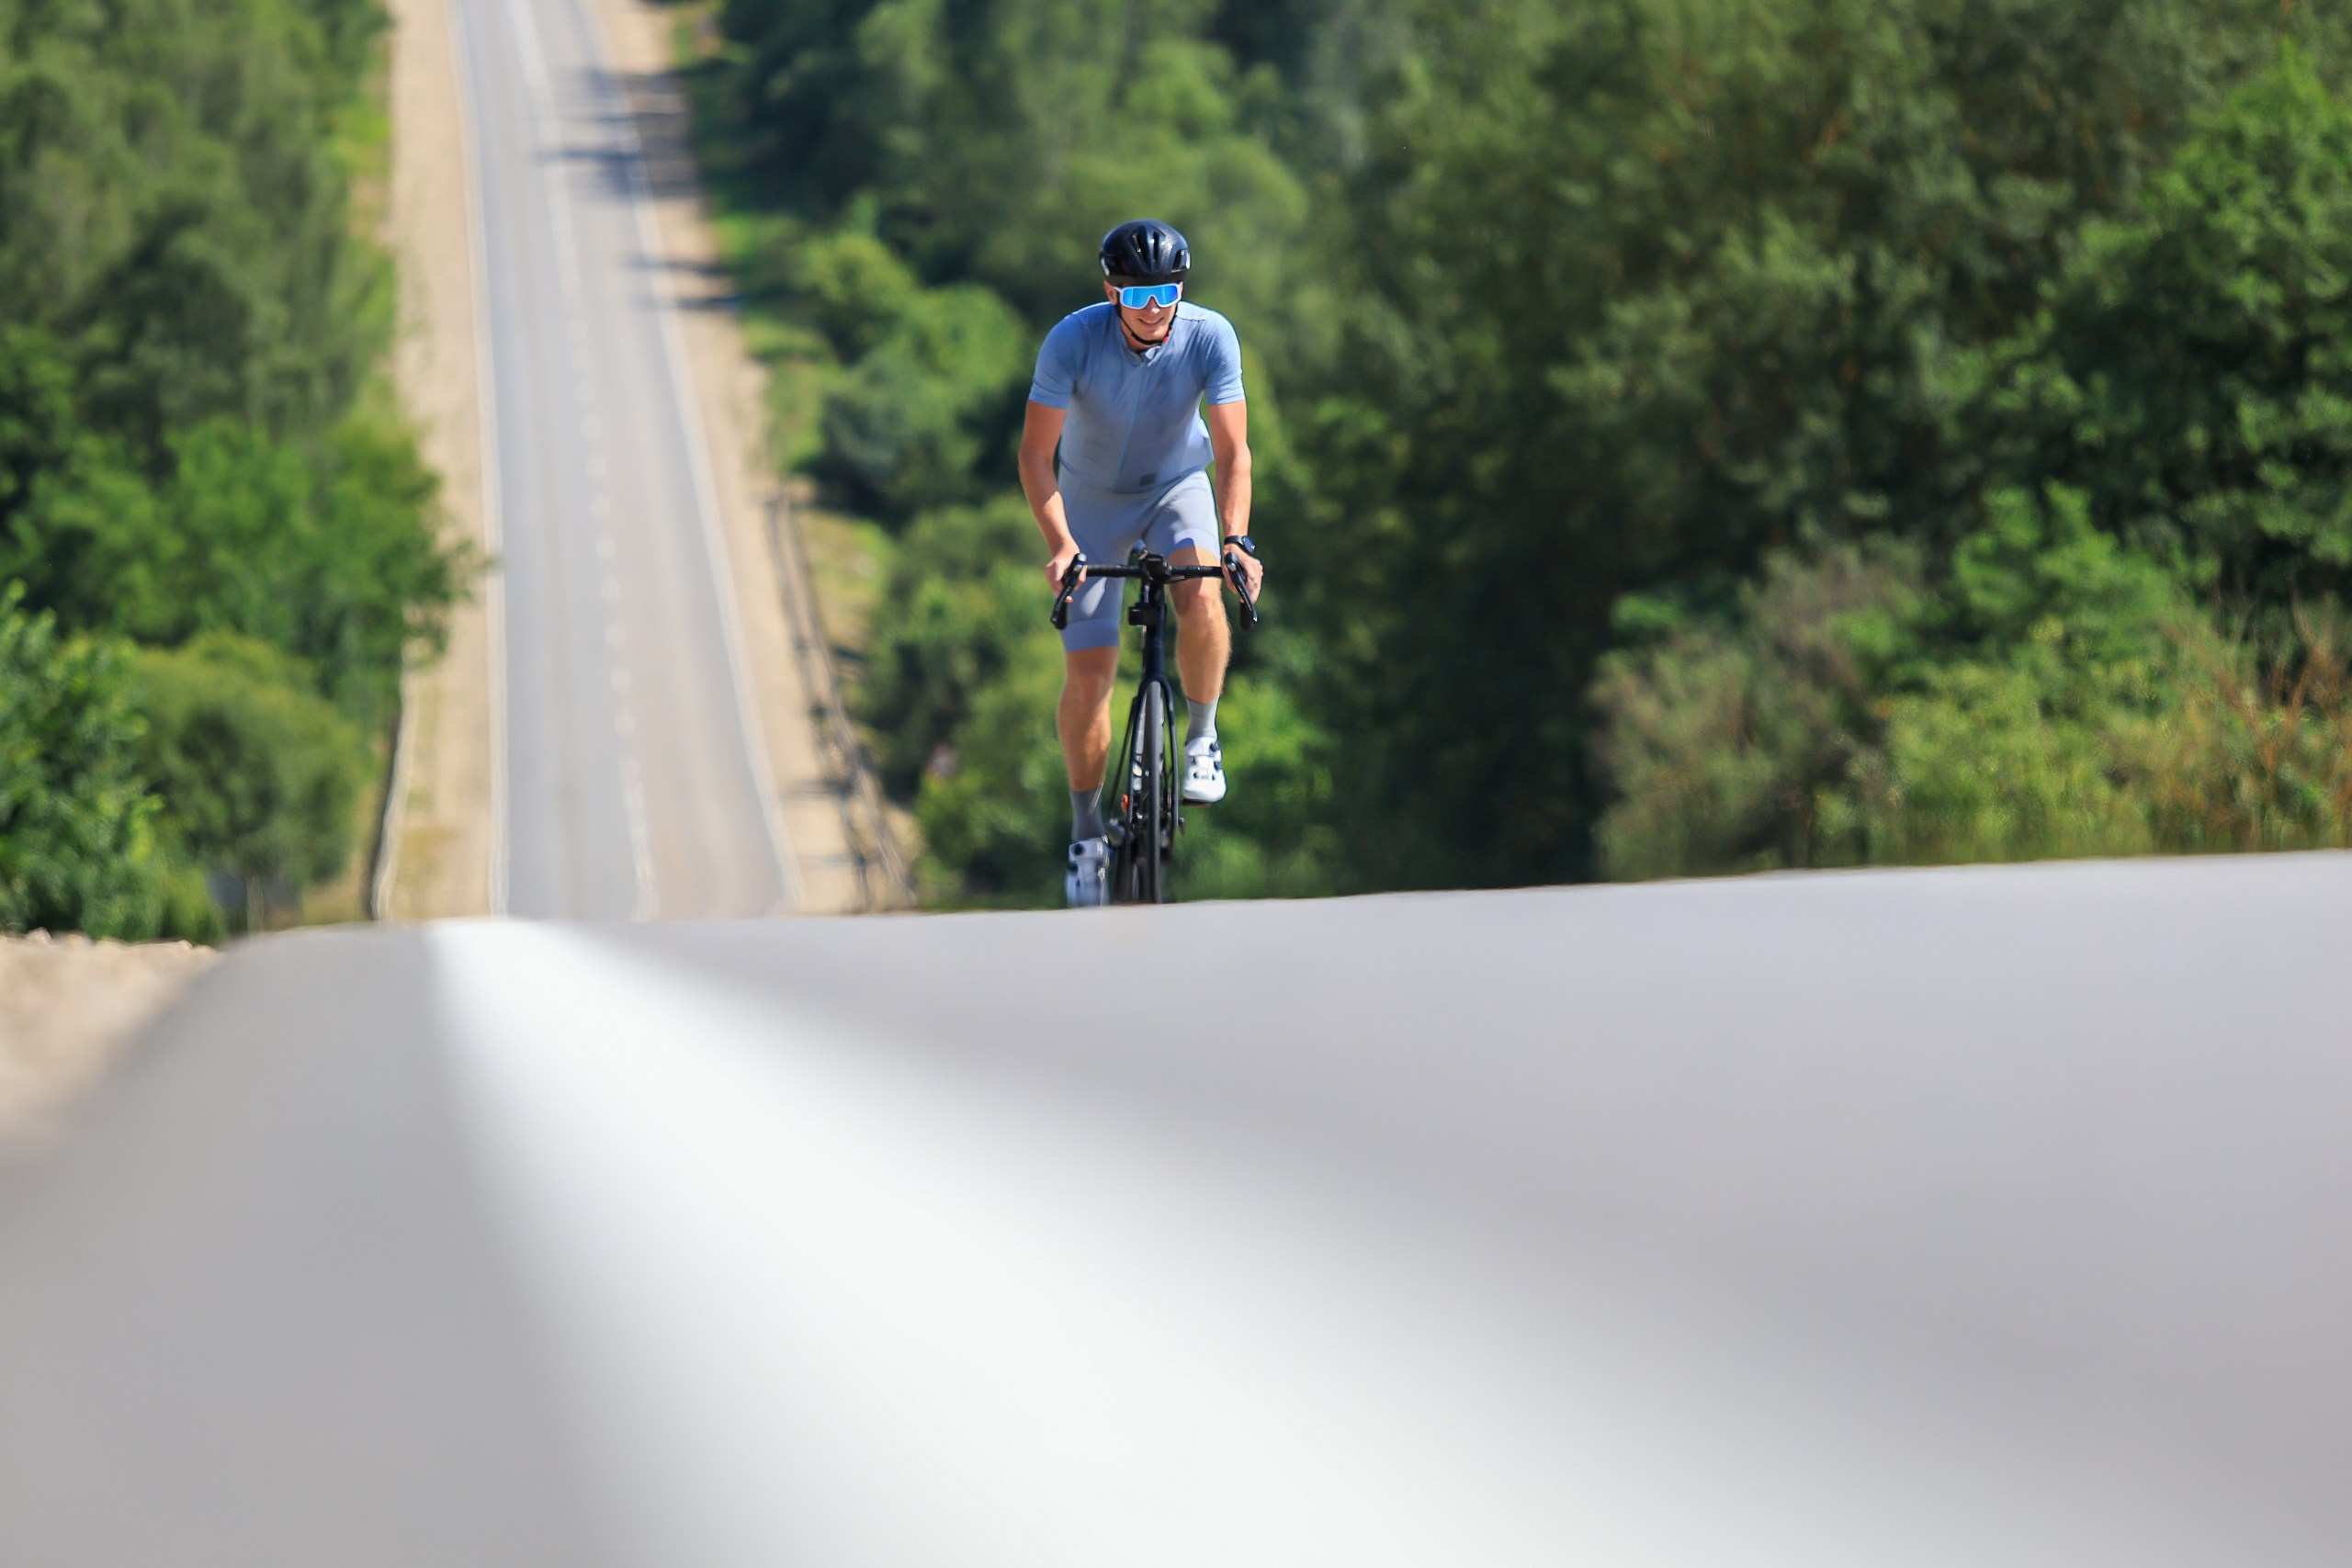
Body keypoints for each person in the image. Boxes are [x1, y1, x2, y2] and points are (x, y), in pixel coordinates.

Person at [1019, 219, 1264, 908]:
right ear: (1111, 291)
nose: (1155, 307)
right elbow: (1036, 457)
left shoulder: (1210, 336)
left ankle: (1203, 739)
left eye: (1167, 292)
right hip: (1091, 503)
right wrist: (1062, 544)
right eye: (1136, 296)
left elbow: (1234, 452)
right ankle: (1087, 833)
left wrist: (1237, 541)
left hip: (1175, 487)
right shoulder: (1073, 339)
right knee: (1090, 676)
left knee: (1203, 594)